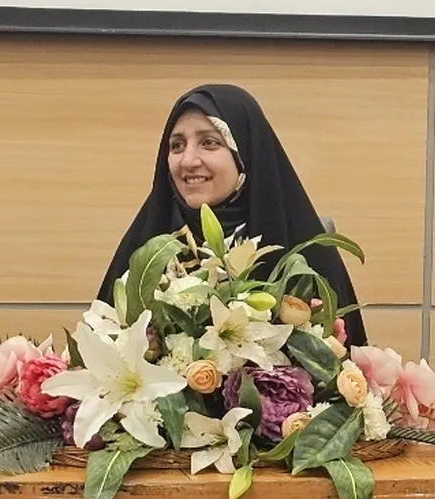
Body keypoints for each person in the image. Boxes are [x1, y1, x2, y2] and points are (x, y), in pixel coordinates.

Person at [97, 84, 367, 345]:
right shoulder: (148, 250)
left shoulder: (304, 250)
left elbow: (343, 362)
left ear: (244, 154)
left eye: (209, 143)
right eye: (177, 145)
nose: (188, 160)